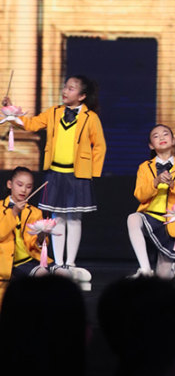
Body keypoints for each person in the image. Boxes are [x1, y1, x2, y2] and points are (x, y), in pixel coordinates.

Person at [7, 74, 105, 280]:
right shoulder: (54, 112)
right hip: (55, 172)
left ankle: (71, 262)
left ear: (82, 96)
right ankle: (59, 262)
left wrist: (91, 173)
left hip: (77, 175)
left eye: (71, 88)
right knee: (56, 218)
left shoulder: (90, 117)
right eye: (65, 87)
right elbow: (32, 124)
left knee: (74, 219)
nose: (65, 91)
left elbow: (100, 146)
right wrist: (11, 112)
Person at [127, 124, 175, 279]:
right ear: (151, 145)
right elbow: (139, 195)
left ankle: (169, 270)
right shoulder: (145, 168)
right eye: (156, 136)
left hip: (171, 221)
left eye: (165, 134)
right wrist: (155, 182)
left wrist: (173, 185)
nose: (161, 138)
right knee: (133, 219)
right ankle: (145, 269)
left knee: (162, 278)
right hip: (150, 216)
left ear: (173, 141)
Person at [0, 166, 62, 286]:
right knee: (42, 275)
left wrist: (41, 236)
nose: (24, 190)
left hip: (34, 258)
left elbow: (38, 245)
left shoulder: (34, 212)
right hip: (13, 262)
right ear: (9, 184)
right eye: (19, 185)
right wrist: (14, 213)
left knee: (64, 274)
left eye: (28, 187)